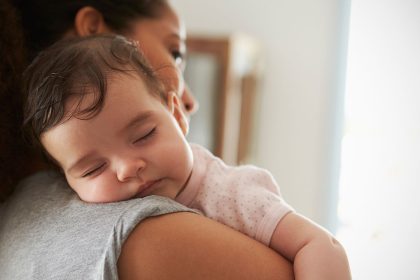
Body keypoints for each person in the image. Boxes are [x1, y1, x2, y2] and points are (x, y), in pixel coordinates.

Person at [0, 0, 294, 279]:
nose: (190, 102)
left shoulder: (18, 213)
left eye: (143, 134)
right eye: (175, 54)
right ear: (93, 29)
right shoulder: (147, 239)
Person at [23, 34, 351, 280]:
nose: (126, 168)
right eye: (94, 169)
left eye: (143, 136)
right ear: (66, 180)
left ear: (177, 115)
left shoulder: (233, 193)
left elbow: (320, 245)